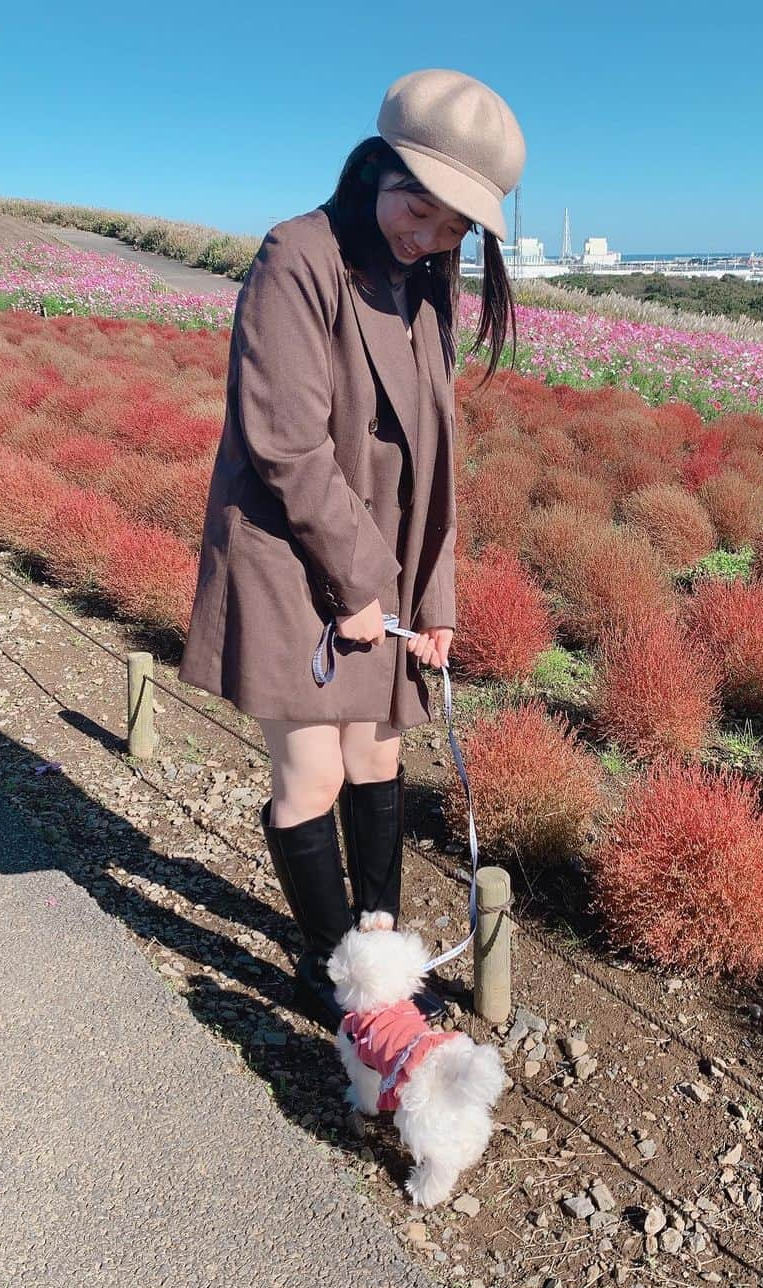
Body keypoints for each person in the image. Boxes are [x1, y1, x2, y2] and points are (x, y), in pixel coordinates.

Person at [179, 69, 525, 1027]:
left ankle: (377, 944)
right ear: (377, 165)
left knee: (378, 756)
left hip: (386, 564)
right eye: (423, 206)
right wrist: (359, 585)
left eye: (458, 226)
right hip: (293, 551)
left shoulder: (422, 289)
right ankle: (344, 986)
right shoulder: (298, 256)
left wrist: (436, 597)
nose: (433, 235)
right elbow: (284, 445)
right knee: (315, 772)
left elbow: (435, 464)